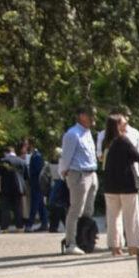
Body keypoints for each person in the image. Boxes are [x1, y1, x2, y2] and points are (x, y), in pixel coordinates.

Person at [99, 113, 139, 256]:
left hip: (110, 184)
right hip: (127, 183)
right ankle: (133, 246)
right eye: (124, 124)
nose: (126, 126)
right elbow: (138, 156)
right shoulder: (124, 141)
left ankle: (115, 247)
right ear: (117, 126)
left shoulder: (106, 142)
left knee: (113, 218)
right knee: (131, 217)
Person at [57, 106, 100, 253]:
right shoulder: (72, 134)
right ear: (81, 116)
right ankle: (70, 243)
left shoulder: (87, 133)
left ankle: (84, 239)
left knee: (88, 210)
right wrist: (64, 173)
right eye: (90, 115)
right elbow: (66, 157)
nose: (93, 118)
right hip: (79, 173)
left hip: (91, 173)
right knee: (76, 209)